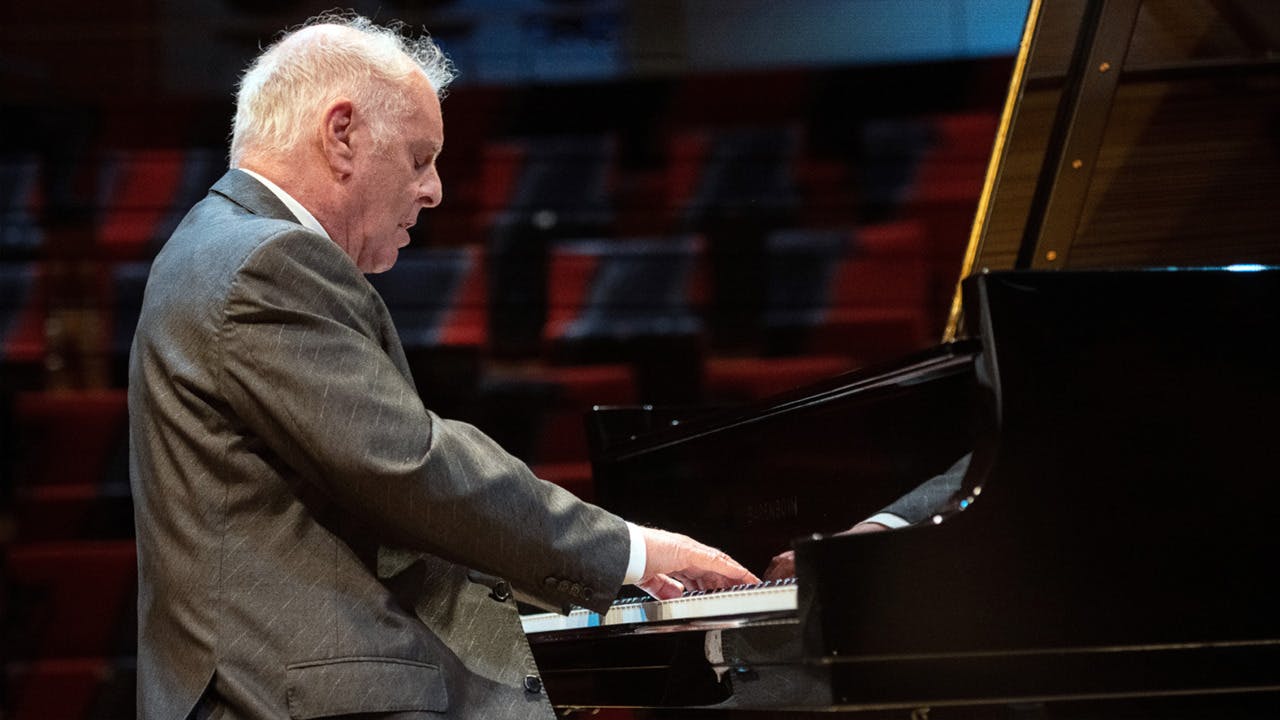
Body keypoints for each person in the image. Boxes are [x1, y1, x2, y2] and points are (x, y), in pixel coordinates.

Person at [128, 14, 757, 720]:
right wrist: (633, 552)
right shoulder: (266, 261)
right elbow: (410, 465)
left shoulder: (219, 247)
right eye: (419, 157)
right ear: (342, 136)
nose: (434, 191)